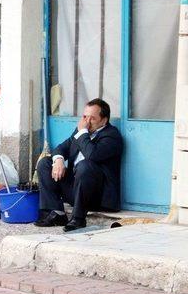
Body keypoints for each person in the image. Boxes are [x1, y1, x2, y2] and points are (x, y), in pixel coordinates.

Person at [34, 98, 123, 231]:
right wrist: (58, 160)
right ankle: (55, 213)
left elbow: (92, 155)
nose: (86, 122)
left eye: (92, 118)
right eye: (84, 117)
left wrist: (82, 132)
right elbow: (60, 148)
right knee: (45, 163)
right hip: (76, 191)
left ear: (104, 120)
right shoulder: (80, 132)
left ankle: (78, 219)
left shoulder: (111, 136)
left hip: (97, 197)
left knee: (85, 165)